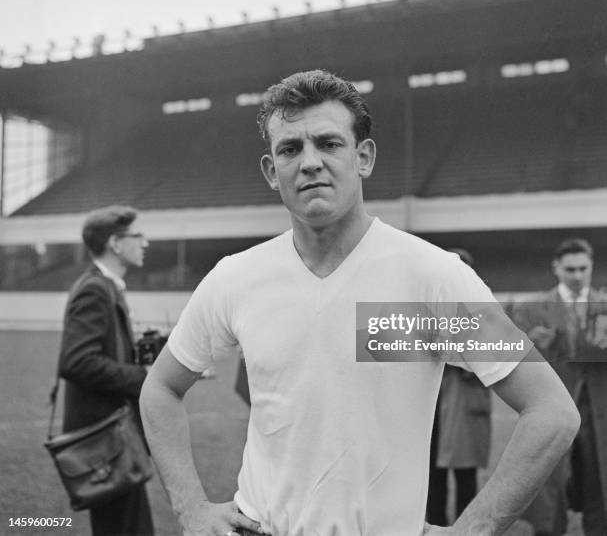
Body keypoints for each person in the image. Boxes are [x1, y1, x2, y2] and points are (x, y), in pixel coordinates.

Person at [140, 69, 579, 536]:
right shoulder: (236, 277)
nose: (309, 162)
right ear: (272, 171)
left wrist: (473, 529)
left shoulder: (433, 277)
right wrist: (190, 509)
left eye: (328, 143)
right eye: (290, 148)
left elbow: (551, 411)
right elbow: (160, 388)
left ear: (363, 157)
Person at [58, 205, 153, 535]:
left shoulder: (106, 284)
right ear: (115, 243)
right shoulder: (95, 289)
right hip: (105, 445)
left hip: (114, 441)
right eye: (138, 236)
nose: (146, 243)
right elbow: (77, 361)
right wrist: (144, 377)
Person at [513, 238, 607, 536]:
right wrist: (530, 344)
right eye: (571, 270)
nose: (578, 276)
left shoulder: (604, 304)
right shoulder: (531, 309)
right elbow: (511, 360)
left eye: (583, 269)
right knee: (550, 485)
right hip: (552, 406)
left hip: (597, 410)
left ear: (591, 267)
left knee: (598, 481)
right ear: (557, 268)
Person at [427, 249, 492, 526]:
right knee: (431, 476)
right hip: (432, 407)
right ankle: (436, 526)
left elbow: (491, 359)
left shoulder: (484, 313)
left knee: (466, 475)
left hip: (464, 404)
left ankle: (468, 528)